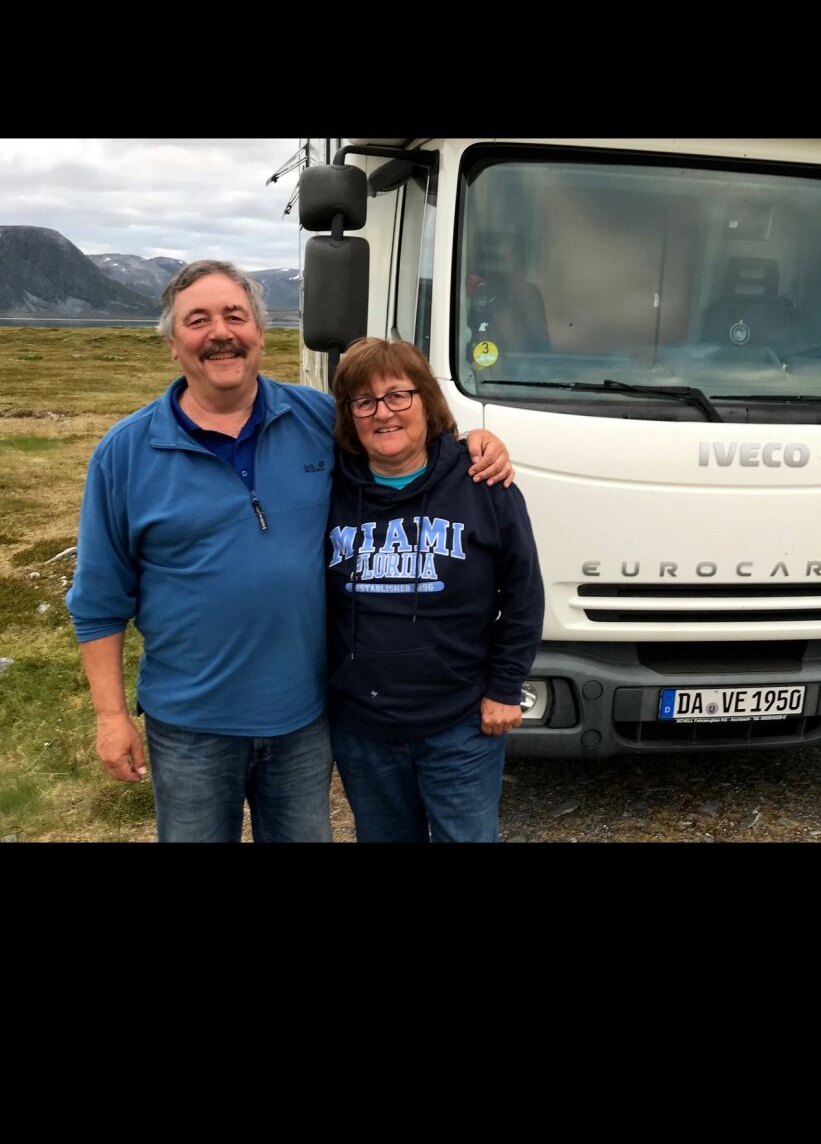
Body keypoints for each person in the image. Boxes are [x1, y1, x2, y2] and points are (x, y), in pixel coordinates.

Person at [65, 260, 513, 843]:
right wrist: (110, 718)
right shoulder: (124, 454)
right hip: (190, 724)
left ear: (261, 331)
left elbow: (401, 439)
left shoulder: (317, 420)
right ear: (173, 345)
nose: (220, 332)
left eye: (236, 315)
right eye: (197, 320)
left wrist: (472, 443)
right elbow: (97, 601)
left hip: (302, 720)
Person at [327, 337, 545, 843]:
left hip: (461, 724)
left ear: (426, 400)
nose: (384, 413)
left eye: (398, 395)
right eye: (364, 401)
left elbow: (523, 595)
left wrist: (505, 689)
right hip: (363, 728)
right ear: (350, 417)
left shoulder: (483, 483)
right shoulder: (328, 488)